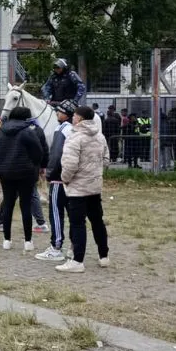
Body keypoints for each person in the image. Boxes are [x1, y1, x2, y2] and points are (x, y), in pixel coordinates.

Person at [56, 106, 110, 273]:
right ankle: (104, 256)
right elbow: (106, 160)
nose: (72, 118)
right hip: (94, 187)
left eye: (74, 116)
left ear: (79, 118)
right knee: (97, 221)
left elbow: (69, 164)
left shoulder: (75, 137)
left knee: (78, 223)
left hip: (78, 189)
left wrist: (65, 179)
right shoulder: (100, 136)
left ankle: (77, 260)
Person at [0, 106, 44, 252]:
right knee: (25, 205)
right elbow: (38, 152)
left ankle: (7, 240)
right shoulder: (27, 132)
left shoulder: (1, 132)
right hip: (25, 173)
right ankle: (28, 241)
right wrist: (34, 165)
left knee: (8, 204)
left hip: (5, 173)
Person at [36, 100, 75, 262]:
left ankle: (56, 247)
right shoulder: (75, 129)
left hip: (59, 178)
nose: (57, 113)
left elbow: (56, 153)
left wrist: (50, 173)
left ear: (67, 114)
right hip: (73, 178)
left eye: (60, 111)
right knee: (73, 214)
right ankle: (74, 247)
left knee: (56, 213)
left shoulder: (61, 129)